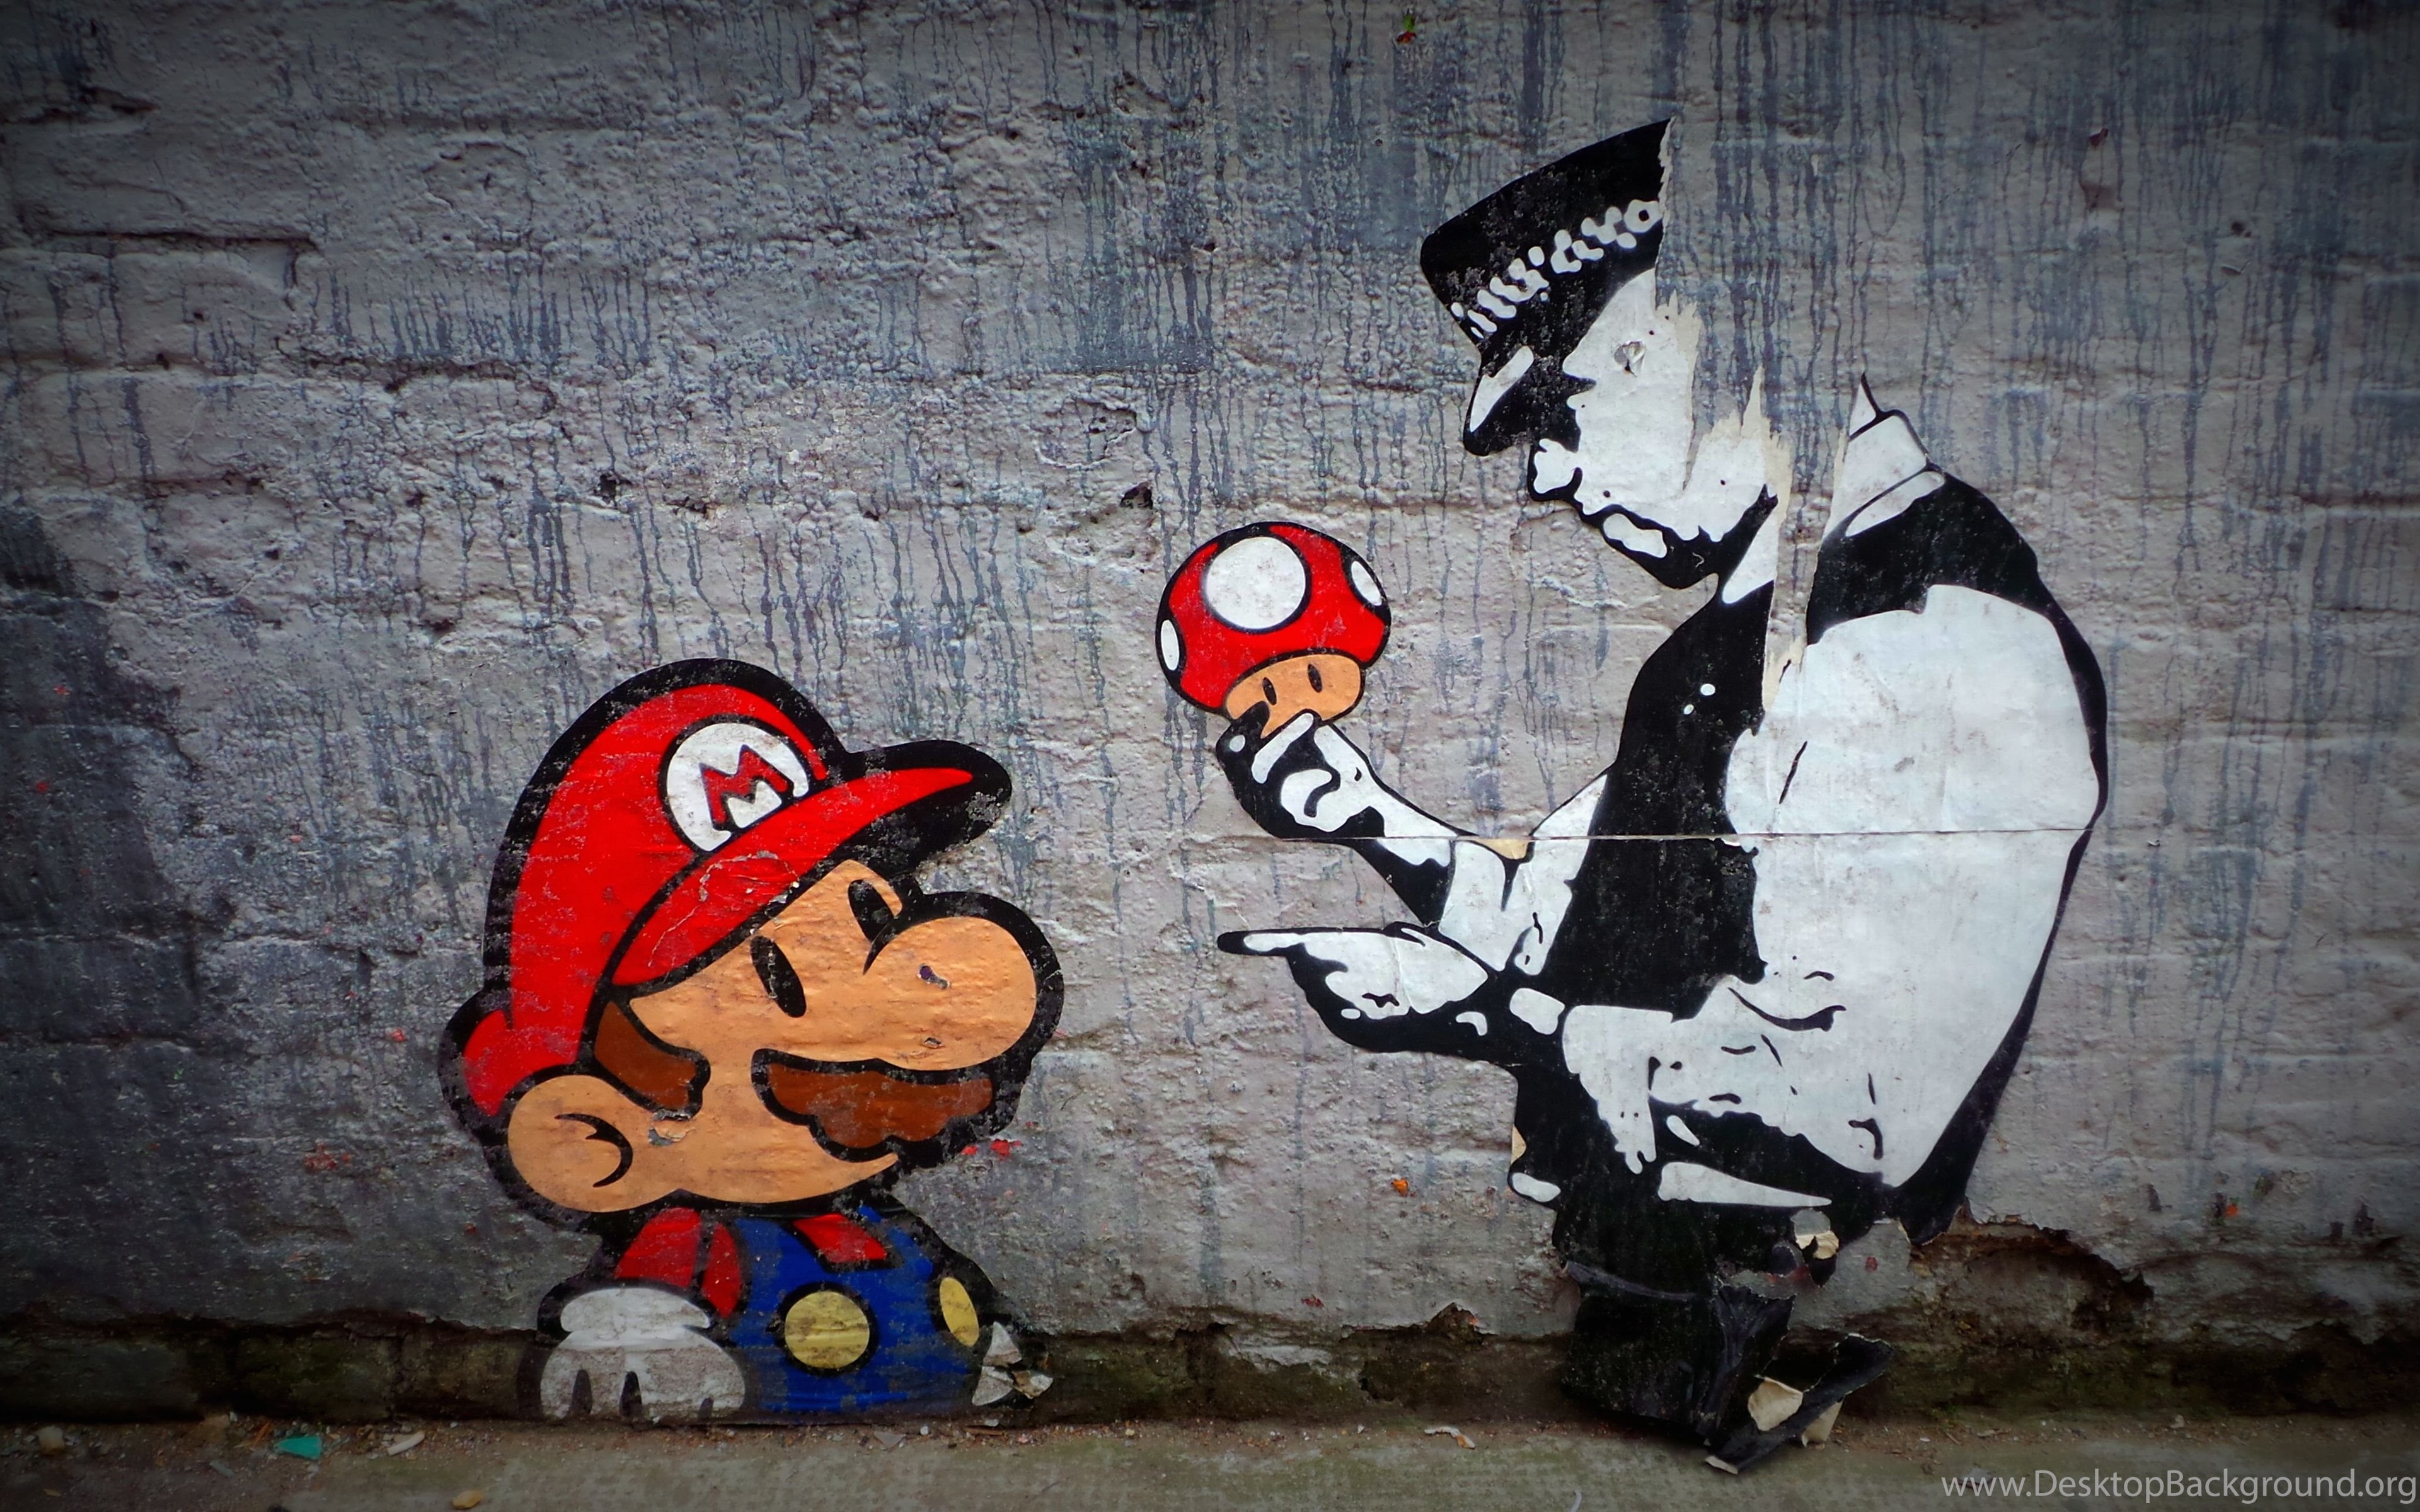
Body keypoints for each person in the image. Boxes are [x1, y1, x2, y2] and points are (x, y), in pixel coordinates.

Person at [1214, 121, 2107, 1469]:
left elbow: (1849, 1096)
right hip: (1667, 1292)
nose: (1546, 473)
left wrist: (1478, 1017)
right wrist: (1368, 818)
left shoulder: (1933, 644)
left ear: (1717, 338)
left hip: (1747, 1257)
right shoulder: (1743, 638)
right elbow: (1572, 911)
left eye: (1566, 408)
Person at [447, 660, 1061, 1420]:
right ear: (597, 1137)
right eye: (785, 981)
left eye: (875, 918)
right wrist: (640, 1353)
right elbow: (637, 1330)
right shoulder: (700, 1249)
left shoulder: (871, 1225)